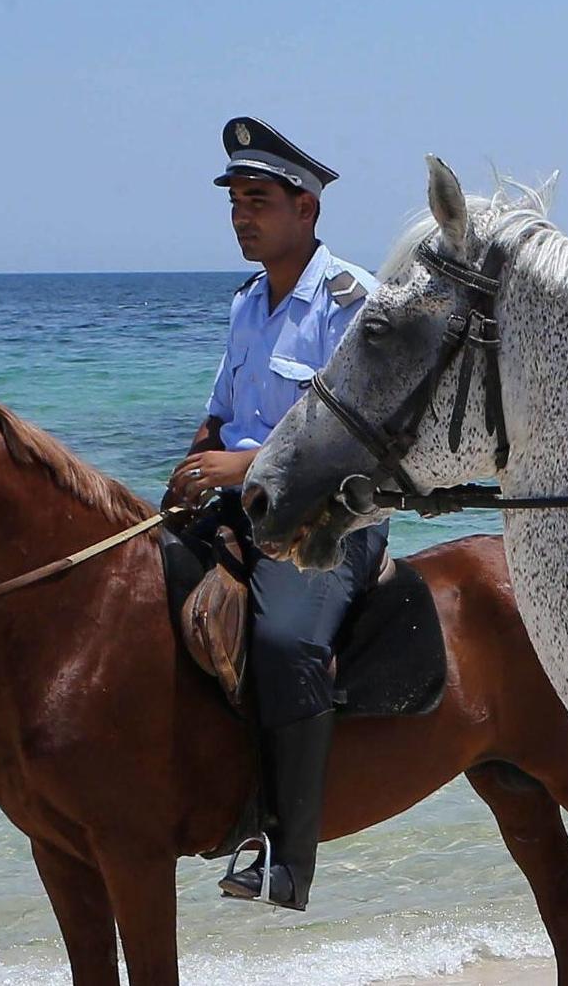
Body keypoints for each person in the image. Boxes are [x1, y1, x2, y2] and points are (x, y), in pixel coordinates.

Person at [165, 116, 389, 910]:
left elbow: (350, 441)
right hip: (240, 511)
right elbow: (221, 412)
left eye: (257, 199)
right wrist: (189, 471)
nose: (241, 217)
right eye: (234, 202)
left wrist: (242, 465)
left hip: (328, 524)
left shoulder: (351, 302)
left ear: (307, 209)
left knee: (284, 636)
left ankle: (286, 855)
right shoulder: (247, 303)